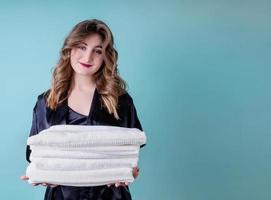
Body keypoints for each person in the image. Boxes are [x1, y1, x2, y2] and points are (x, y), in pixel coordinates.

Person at [20, 19, 145, 200]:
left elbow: (131, 154)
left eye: (97, 51)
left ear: (105, 57)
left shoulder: (120, 101)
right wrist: (43, 173)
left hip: (110, 196)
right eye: (82, 47)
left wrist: (129, 172)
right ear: (69, 49)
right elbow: (35, 154)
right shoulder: (46, 102)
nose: (87, 58)